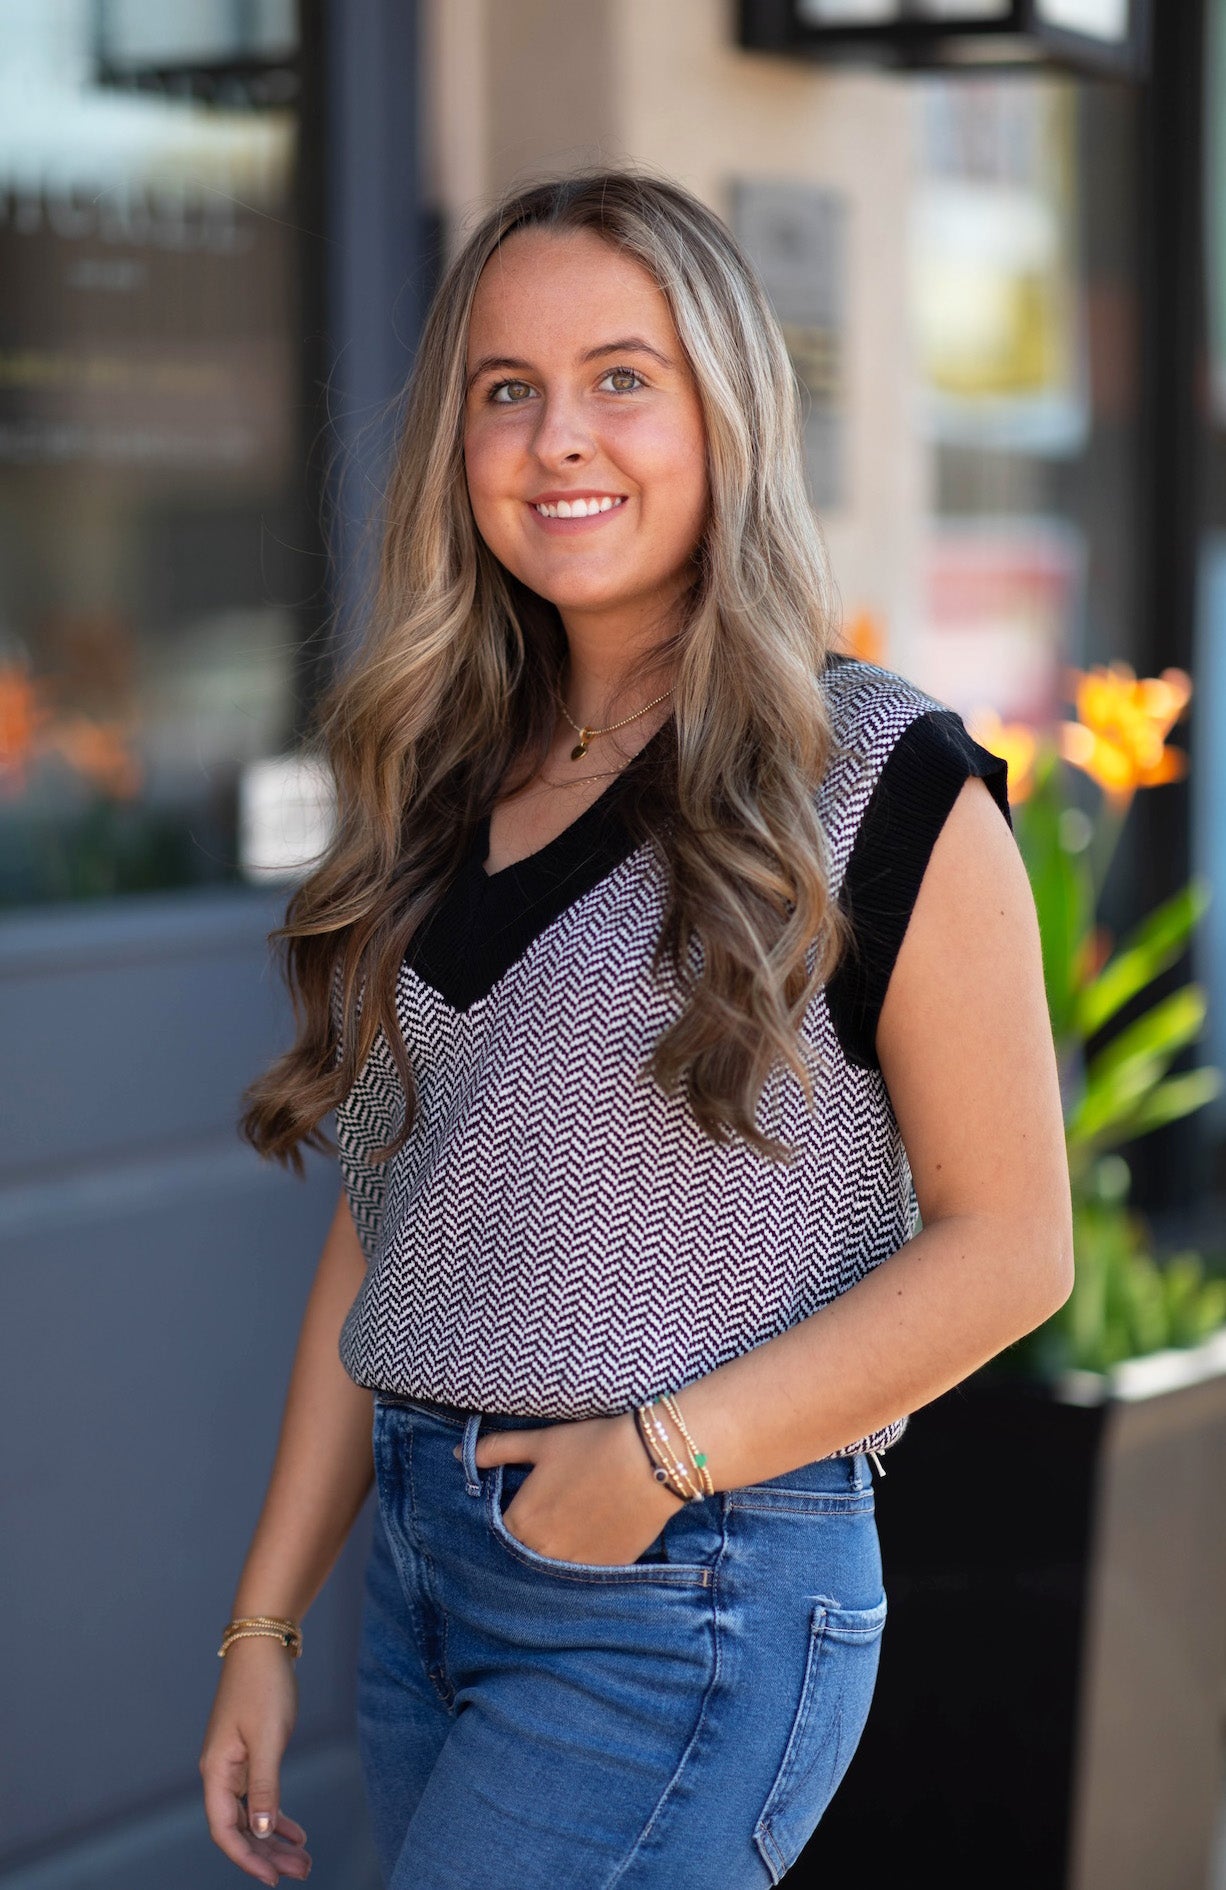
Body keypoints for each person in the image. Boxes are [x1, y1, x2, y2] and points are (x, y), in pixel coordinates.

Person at [198, 168, 1073, 1890]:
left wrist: (658, 1461)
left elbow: (1013, 1248)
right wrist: (264, 1617)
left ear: (724, 410)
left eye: (622, 377)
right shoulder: (439, 782)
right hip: (423, 1577)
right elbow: (388, 1234)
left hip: (686, 1581)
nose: (555, 440)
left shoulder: (871, 774)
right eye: (503, 391)